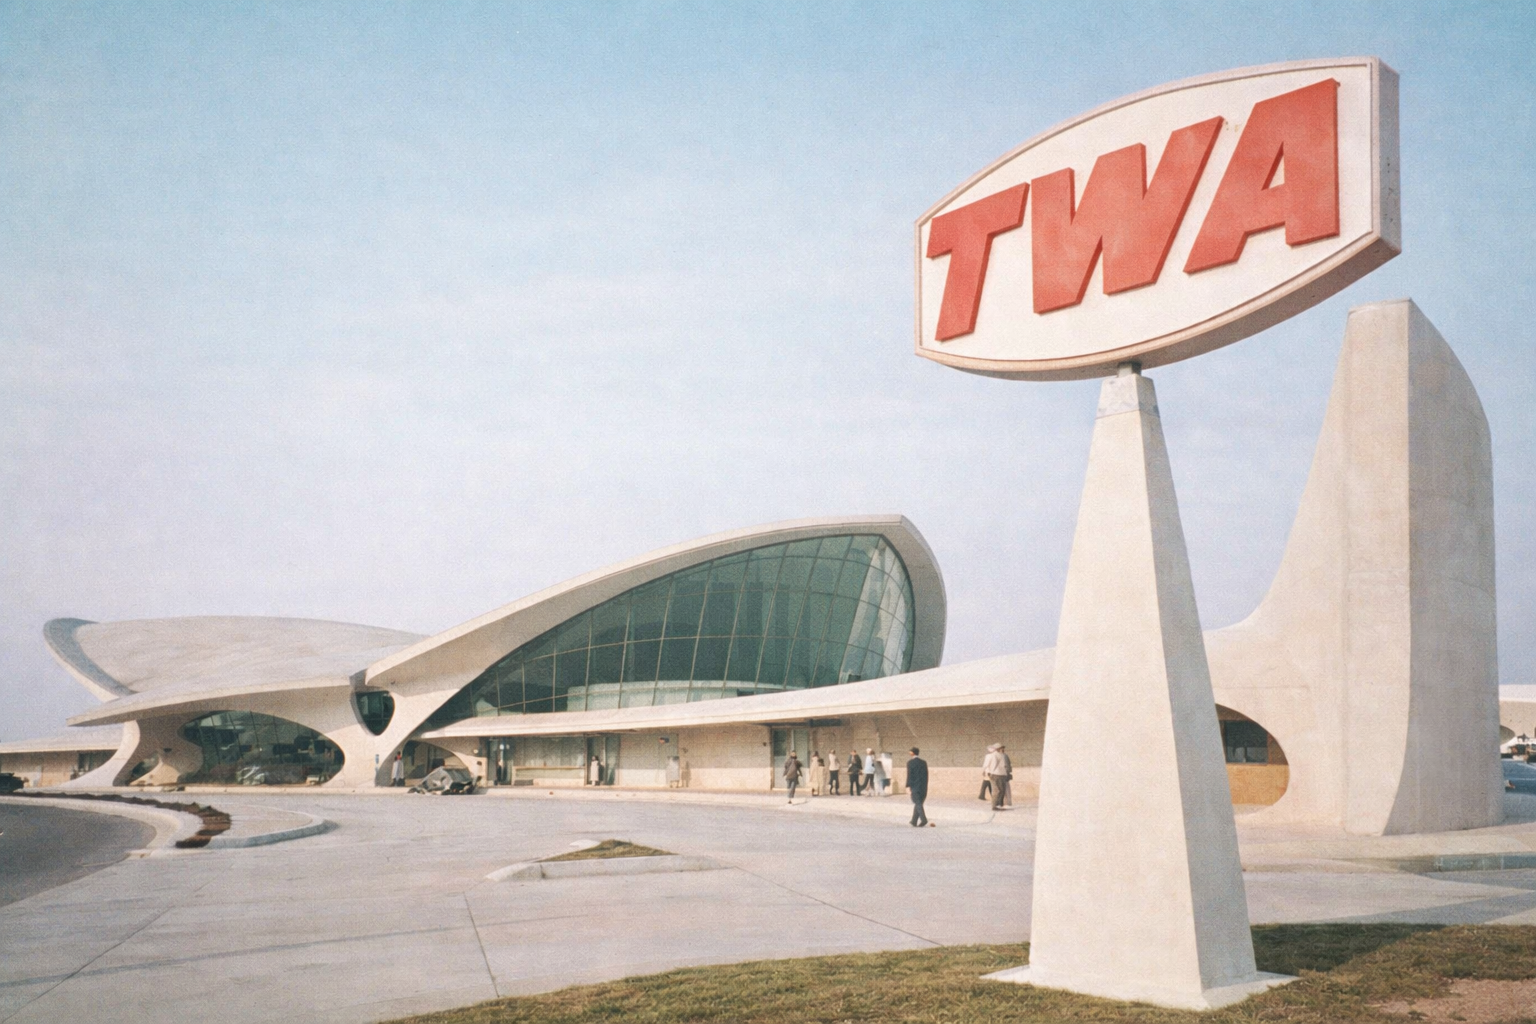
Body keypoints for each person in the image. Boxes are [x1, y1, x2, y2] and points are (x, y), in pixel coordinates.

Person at [982, 743, 1012, 810]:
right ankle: (995, 805)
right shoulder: (992, 756)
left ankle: (999, 804)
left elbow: (1007, 765)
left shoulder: (1003, 755)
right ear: (998, 749)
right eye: (1001, 748)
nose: (1003, 749)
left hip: (1002, 774)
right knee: (997, 791)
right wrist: (986, 772)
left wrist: (1008, 773)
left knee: (1002, 790)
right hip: (995, 774)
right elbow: (986, 765)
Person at [906, 747, 930, 826]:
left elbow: (909, 775)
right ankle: (914, 821)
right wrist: (925, 785)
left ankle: (923, 819)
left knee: (917, 802)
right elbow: (926, 775)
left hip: (915, 786)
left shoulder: (910, 763)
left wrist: (908, 785)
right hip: (923, 786)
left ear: (912, 753)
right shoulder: (923, 762)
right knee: (918, 803)